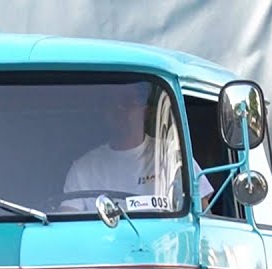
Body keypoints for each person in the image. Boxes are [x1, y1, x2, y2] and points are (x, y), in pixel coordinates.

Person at [60, 82, 213, 212]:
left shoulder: (173, 156)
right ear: (104, 112)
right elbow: (68, 226)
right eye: (112, 104)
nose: (119, 110)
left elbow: (203, 214)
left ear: (144, 110)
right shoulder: (83, 168)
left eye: (127, 102)